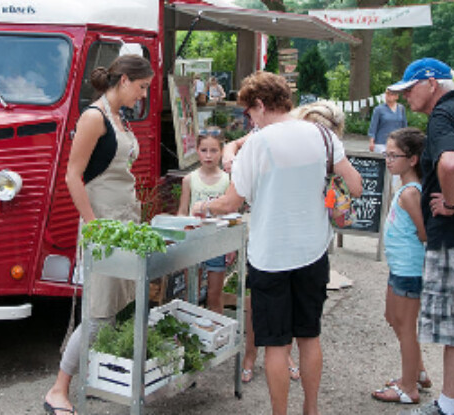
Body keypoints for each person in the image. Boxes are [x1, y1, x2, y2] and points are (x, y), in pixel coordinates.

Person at [195, 71, 362, 415]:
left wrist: (202, 206)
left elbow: (230, 203)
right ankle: (311, 409)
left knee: (275, 345)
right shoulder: (322, 135)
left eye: (249, 112)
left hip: (270, 256)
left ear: (259, 104)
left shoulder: (258, 143)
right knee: (309, 336)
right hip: (313, 251)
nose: (249, 119)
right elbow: (356, 186)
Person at [43, 54, 154, 415]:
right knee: (98, 313)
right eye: (141, 87)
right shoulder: (94, 117)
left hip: (125, 222)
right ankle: (58, 390)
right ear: (123, 80)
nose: (143, 95)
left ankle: (104, 380)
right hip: (103, 225)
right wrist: (93, 225)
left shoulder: (120, 118)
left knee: (123, 305)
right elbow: (72, 176)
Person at [388, 58, 454, 415]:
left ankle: (448, 405)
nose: (406, 96)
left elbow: (450, 163)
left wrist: (453, 202)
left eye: (409, 89)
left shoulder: (443, 116)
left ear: (430, 83)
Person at [371, 127, 431, 405]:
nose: (389, 160)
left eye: (394, 155)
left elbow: (424, 233)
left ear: (413, 159)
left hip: (409, 270)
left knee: (406, 326)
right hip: (399, 268)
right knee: (392, 317)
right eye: (387, 154)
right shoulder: (402, 188)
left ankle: (409, 388)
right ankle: (417, 372)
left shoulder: (411, 193)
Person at [177, 129, 232, 314]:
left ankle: (217, 336)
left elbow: (232, 214)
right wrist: (179, 235)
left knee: (214, 296)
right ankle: (189, 335)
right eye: (204, 150)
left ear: (221, 151)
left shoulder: (227, 180)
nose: (208, 155)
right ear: (197, 151)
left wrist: (231, 245)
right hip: (193, 242)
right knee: (190, 293)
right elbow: (182, 211)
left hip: (217, 243)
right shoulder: (189, 179)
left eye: (214, 150)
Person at [368, 89, 408, 153]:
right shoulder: (379, 109)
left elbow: (404, 126)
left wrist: (406, 140)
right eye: (387, 94)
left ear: (396, 97)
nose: (388, 96)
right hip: (381, 143)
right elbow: (373, 126)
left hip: (397, 142)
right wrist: (371, 141)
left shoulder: (401, 108)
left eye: (391, 94)